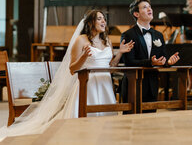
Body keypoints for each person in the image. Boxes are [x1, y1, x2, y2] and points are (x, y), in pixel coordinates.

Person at [0, 10, 133, 140]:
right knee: (82, 124)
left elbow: (111, 66)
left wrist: (120, 53)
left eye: (104, 19)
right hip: (87, 85)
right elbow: (72, 69)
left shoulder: (107, 41)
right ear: (90, 23)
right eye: (99, 18)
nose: (103, 21)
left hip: (105, 86)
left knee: (106, 125)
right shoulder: (81, 40)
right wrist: (84, 56)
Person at [120, 0, 180, 110]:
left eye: (149, 6)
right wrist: (150, 62)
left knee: (151, 120)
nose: (149, 9)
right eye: (144, 7)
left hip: (152, 84)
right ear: (136, 14)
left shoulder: (158, 35)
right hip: (134, 84)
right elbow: (128, 62)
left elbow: (163, 58)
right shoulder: (128, 35)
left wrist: (168, 62)